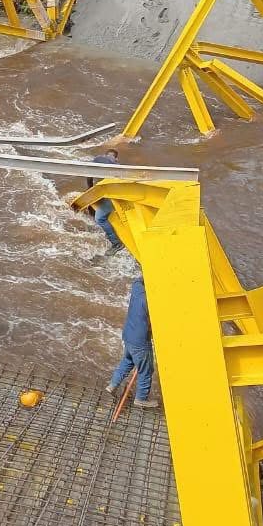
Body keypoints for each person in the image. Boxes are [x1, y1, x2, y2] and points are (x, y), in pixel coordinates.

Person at [106, 277, 158, 410]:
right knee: (146, 370)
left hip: (128, 335)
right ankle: (141, 399)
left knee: (127, 360)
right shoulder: (151, 301)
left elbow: (137, 280)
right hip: (140, 342)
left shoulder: (137, 290)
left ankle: (113, 384)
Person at [86, 149, 123, 252]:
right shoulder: (119, 166)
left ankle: (116, 243)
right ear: (116, 158)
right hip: (116, 191)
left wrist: (90, 190)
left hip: (108, 193)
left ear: (105, 154)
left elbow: (89, 176)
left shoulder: (98, 159)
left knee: (100, 219)